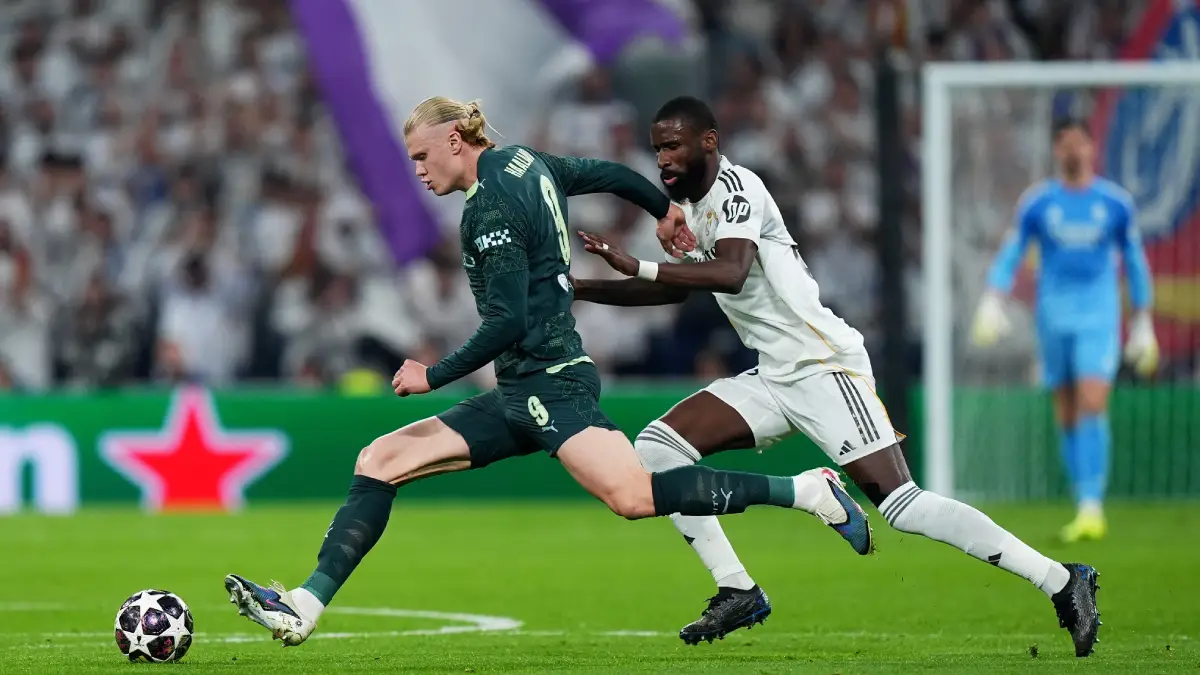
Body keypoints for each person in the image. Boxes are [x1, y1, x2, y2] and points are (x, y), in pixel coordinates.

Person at [222, 96, 872, 647]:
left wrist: (434, 373)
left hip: (550, 385)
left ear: (455, 139)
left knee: (635, 496)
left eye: (423, 156)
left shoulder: (489, 210)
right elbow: (607, 173)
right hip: (520, 388)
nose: (418, 170)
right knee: (380, 459)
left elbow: (507, 319)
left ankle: (807, 491)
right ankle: (303, 605)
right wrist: (662, 210)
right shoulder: (523, 161)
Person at [573, 96, 1101, 657]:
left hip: (824, 366)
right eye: (657, 149)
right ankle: (737, 588)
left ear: (709, 140)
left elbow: (730, 273)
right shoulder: (691, 205)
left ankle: (1063, 581)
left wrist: (640, 264)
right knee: (657, 449)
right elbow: (673, 286)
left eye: (673, 145)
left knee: (902, 505)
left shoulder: (736, 191)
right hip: (775, 373)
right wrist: (585, 289)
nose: (663, 159)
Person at [971, 118, 1156, 542]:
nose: (1073, 151)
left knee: (1093, 401)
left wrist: (1143, 320)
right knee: (1067, 410)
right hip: (1052, 317)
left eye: (1079, 144)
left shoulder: (1113, 203)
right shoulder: (1039, 203)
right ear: (1057, 150)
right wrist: (993, 298)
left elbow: (1134, 258)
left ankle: (1093, 506)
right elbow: (1013, 249)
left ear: (1091, 148)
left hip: (1098, 317)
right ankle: (1082, 501)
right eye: (1065, 144)